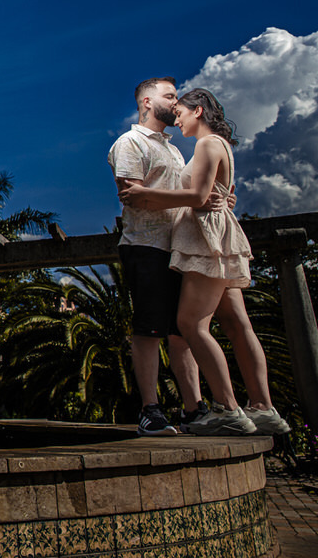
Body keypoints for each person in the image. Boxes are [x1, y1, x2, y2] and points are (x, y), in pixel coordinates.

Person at [120, 88, 289, 435]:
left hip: (205, 240)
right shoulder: (216, 145)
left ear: (197, 111)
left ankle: (227, 409)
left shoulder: (206, 144)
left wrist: (143, 194)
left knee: (191, 323)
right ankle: (263, 407)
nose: (177, 117)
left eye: (181, 111)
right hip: (220, 235)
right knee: (237, 323)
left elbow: (198, 197)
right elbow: (209, 192)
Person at [109, 77, 208, 436]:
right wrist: (192, 198)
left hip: (179, 247)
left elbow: (169, 196)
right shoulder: (130, 142)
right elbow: (132, 197)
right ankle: (150, 411)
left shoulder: (174, 150)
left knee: (182, 331)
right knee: (149, 329)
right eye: (169, 96)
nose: (176, 102)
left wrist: (206, 199)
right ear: (147, 102)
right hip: (145, 245)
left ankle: (194, 409)